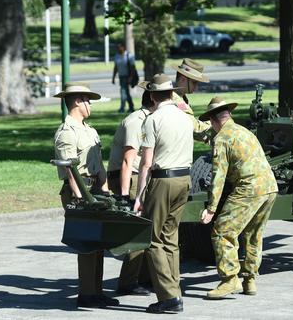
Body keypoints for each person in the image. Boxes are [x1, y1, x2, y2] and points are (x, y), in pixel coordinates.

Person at [198, 97, 278, 299]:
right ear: (228, 115)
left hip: (249, 189)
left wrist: (211, 208)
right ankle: (250, 280)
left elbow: (218, 176)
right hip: (269, 187)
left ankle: (229, 280)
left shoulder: (222, 138)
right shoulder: (244, 131)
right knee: (253, 235)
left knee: (222, 231)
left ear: (213, 120)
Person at [53, 82, 119, 308]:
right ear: (77, 101)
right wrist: (82, 198)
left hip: (94, 190)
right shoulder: (66, 132)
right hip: (78, 192)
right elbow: (70, 171)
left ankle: (97, 292)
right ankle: (87, 294)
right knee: (86, 243)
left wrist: (105, 189)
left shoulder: (90, 130)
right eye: (87, 100)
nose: (90, 104)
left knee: (98, 242)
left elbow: (98, 164)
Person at [133, 74, 193, 313]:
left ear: (152, 95)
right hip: (184, 179)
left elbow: (146, 163)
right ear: (170, 93)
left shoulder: (152, 119)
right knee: (171, 239)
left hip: (163, 180)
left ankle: (168, 297)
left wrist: (138, 196)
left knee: (153, 239)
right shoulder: (184, 116)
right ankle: (174, 289)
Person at [107, 87, 154, 297]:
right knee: (139, 227)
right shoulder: (137, 121)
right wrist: (125, 196)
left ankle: (143, 278)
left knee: (147, 227)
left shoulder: (148, 119)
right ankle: (128, 282)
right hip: (128, 176)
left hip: (135, 175)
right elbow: (128, 160)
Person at [171, 58, 213, 142]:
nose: (196, 87)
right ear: (183, 79)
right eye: (194, 82)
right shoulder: (175, 100)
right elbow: (193, 126)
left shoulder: (181, 98)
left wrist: (206, 138)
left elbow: (188, 128)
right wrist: (215, 121)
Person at [112, 43, 136, 113]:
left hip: (127, 76)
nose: (118, 49)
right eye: (117, 47)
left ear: (123, 47)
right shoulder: (116, 56)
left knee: (123, 92)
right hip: (121, 76)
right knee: (126, 93)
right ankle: (131, 107)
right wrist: (113, 77)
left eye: (120, 47)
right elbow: (116, 67)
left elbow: (133, 68)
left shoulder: (129, 55)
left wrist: (131, 77)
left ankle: (122, 108)